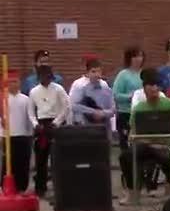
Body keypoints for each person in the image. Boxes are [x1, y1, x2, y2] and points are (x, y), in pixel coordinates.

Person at [118, 68, 170, 205]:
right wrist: (133, 138)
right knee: (125, 157)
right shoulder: (139, 108)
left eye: (156, 85)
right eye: (150, 85)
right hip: (144, 145)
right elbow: (132, 131)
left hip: (165, 146)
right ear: (144, 89)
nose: (154, 88)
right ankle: (133, 192)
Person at [26, 65, 69, 197]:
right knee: (41, 158)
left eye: (49, 77)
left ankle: (61, 187)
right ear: (39, 77)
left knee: (59, 157)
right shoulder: (34, 92)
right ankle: (40, 187)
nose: (46, 79)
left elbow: (66, 107)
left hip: (56, 122)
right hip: (41, 124)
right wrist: (35, 124)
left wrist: (57, 122)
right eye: (44, 77)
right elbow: (30, 111)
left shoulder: (58, 89)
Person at [0, 70, 33, 193]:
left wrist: (30, 133)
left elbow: (30, 117)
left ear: (19, 83)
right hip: (7, 136)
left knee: (23, 162)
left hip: (23, 135)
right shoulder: (3, 99)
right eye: (11, 82)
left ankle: (22, 187)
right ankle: (5, 187)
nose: (13, 84)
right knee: (8, 163)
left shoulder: (26, 99)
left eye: (16, 81)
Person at [113, 46, 145, 149]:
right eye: (135, 56)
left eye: (140, 56)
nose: (138, 59)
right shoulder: (123, 75)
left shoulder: (144, 74)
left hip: (141, 113)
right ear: (129, 58)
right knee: (127, 145)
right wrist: (130, 97)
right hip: (126, 113)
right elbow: (116, 94)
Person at [70, 59, 115, 126]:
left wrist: (103, 113)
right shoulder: (79, 85)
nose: (96, 74)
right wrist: (93, 112)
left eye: (99, 71)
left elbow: (112, 108)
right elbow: (73, 105)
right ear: (87, 73)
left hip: (102, 124)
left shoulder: (104, 85)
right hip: (83, 124)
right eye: (93, 72)